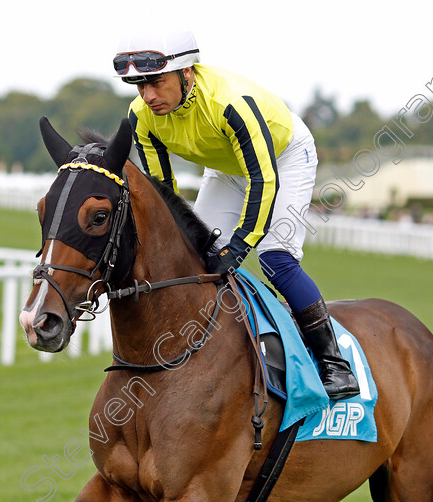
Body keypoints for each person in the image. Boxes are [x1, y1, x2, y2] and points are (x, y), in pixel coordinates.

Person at [114, 28, 359, 400]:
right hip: (227, 168)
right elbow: (163, 193)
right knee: (196, 256)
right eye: (140, 86)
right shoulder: (141, 117)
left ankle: (333, 363)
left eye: (157, 83)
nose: (148, 96)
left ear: (187, 73)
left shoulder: (231, 102)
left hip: (282, 159)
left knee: (276, 258)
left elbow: (263, 178)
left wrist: (240, 245)